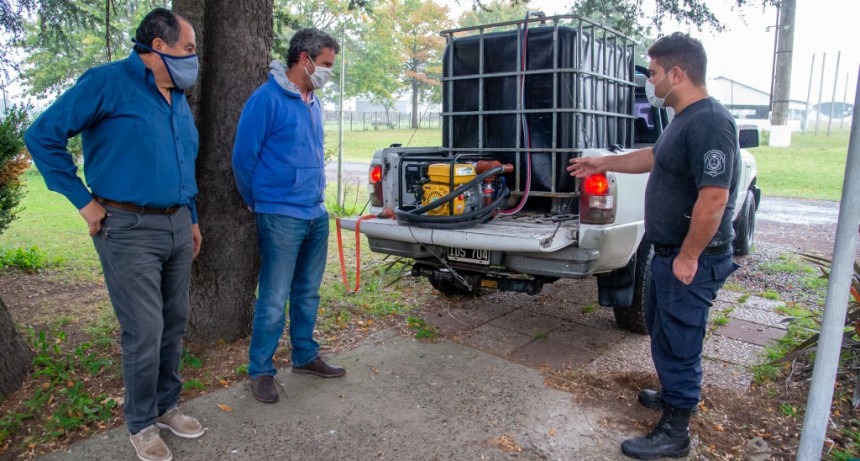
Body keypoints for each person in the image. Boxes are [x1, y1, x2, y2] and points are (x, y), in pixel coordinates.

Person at [25, 8, 204, 461]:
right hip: (127, 227)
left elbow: (184, 161)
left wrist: (193, 217)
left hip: (178, 223)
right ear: (157, 47)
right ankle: (141, 423)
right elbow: (42, 136)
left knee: (174, 321)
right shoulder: (107, 82)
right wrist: (82, 200)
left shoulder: (177, 97)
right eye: (188, 49)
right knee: (144, 330)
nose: (194, 58)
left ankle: (166, 406)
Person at [568, 32, 740, 460]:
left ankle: (676, 431)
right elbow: (653, 156)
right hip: (667, 254)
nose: (651, 81)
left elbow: (714, 197)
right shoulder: (682, 120)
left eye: (656, 73)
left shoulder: (710, 122)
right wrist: (603, 162)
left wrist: (689, 256)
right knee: (663, 333)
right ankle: (671, 395)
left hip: (689, 260)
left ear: (677, 74)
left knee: (681, 339)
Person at [232, 28, 344, 405]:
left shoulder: (311, 101)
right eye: (326, 64)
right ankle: (261, 371)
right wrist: (259, 200)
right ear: (304, 59)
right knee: (275, 295)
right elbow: (243, 159)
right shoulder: (266, 99)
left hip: (314, 211)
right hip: (280, 213)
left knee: (307, 292)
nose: (328, 71)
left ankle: (304, 355)